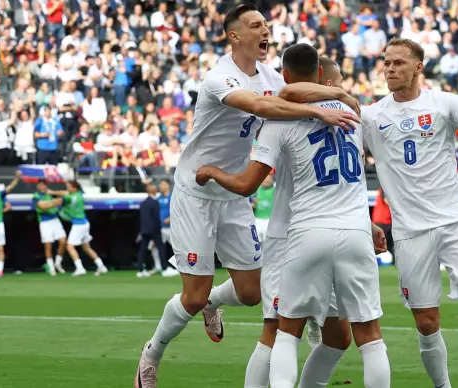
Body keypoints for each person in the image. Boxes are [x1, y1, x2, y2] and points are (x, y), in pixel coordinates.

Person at [134, 5, 361, 387]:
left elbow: (290, 89)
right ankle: (152, 351)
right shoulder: (218, 78)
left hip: (233, 192)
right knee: (191, 297)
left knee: (252, 294)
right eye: (256, 25)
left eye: (267, 25)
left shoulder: (271, 74)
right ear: (234, 36)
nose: (265, 30)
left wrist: (336, 91)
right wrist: (320, 111)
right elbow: (259, 105)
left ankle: (214, 303)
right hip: (197, 190)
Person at [196, 43, 391, 388]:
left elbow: (246, 184)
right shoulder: (354, 115)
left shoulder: (279, 117)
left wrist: (212, 170)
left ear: (286, 74)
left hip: (302, 232)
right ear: (321, 78)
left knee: (292, 331)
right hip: (342, 232)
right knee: (366, 335)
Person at [360, 38, 458, 388]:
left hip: (455, 221)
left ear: (418, 67)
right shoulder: (371, 116)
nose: (390, 69)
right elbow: (348, 167)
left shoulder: (444, 103)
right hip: (410, 232)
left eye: (399, 63)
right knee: (427, 323)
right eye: (386, 62)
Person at [50, 180, 109, 276]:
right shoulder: (79, 194)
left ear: (75, 188)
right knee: (86, 247)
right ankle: (101, 266)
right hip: (85, 223)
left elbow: (61, 200)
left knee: (69, 246)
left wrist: (50, 199)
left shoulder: (70, 198)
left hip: (79, 225)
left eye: (69, 187)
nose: (67, 189)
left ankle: (80, 268)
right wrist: (53, 192)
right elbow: (64, 193)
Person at [32, 179, 67, 276]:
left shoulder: (50, 194)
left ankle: (58, 263)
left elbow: (66, 195)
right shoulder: (36, 196)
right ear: (37, 187)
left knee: (63, 241)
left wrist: (53, 193)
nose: (42, 187)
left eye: (44, 185)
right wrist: (55, 202)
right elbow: (43, 206)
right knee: (48, 246)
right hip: (44, 222)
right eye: (40, 185)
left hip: (55, 219)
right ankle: (51, 267)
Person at [136, 183, 166, 278]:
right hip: (154, 229)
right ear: (153, 191)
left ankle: (140, 270)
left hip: (144, 230)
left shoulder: (143, 203)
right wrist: (158, 228)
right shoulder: (155, 202)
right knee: (161, 248)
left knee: (143, 249)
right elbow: (156, 217)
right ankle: (165, 268)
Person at [155, 179, 178, 277]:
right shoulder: (159, 198)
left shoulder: (173, 196)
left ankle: (177, 267)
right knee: (161, 248)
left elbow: (177, 209)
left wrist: (170, 218)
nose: (161, 186)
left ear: (168, 185)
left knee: (175, 248)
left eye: (163, 184)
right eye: (160, 185)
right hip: (161, 227)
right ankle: (164, 267)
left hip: (172, 227)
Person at [252, 173, 274, 243]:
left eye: (268, 179)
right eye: (264, 179)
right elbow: (251, 203)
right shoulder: (256, 190)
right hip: (257, 219)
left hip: (269, 220)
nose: (266, 181)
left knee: (268, 242)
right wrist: (252, 205)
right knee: (256, 242)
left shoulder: (275, 190)